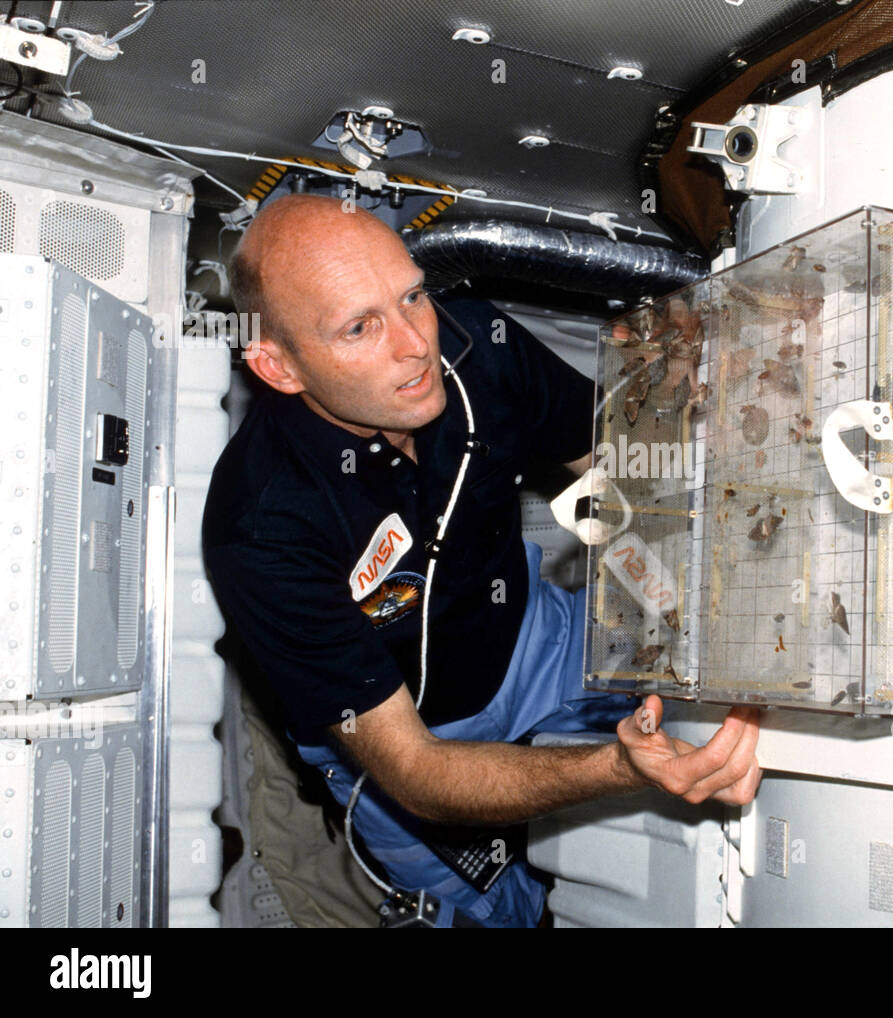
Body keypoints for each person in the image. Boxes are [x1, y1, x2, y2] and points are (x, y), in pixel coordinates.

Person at [201, 194, 762, 927]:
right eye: (360, 327)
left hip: (538, 633)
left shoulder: (480, 346)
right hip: (413, 738)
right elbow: (417, 772)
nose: (416, 345)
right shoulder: (262, 522)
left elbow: (624, 472)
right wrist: (617, 769)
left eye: (412, 296)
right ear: (278, 366)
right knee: (502, 915)